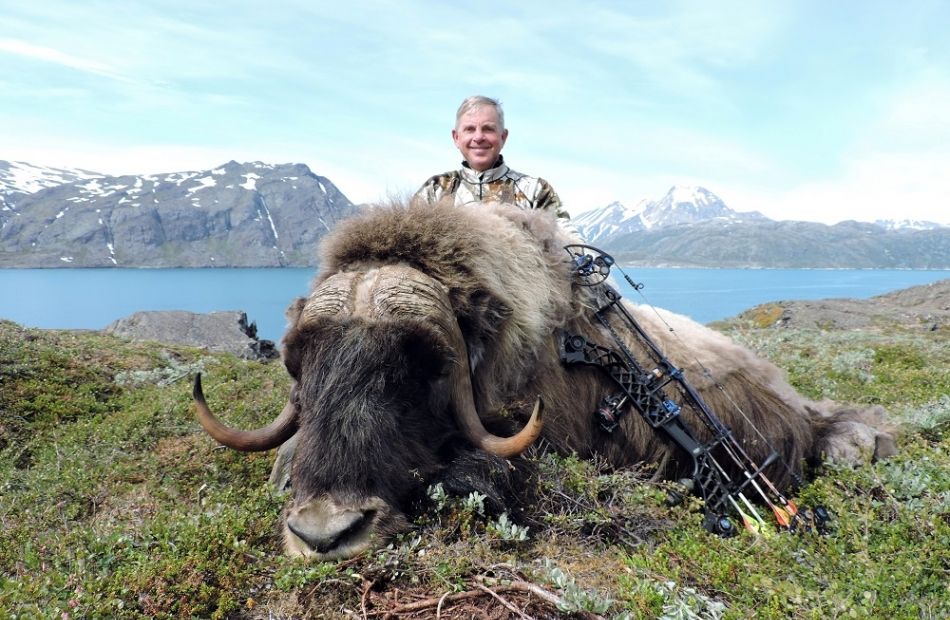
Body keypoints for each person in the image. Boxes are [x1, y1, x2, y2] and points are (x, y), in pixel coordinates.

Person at [414, 96, 570, 223]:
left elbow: (569, 245)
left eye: (488, 129)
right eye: (469, 129)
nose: (478, 137)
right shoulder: (435, 189)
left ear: (503, 137)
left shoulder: (535, 190)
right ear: (456, 138)